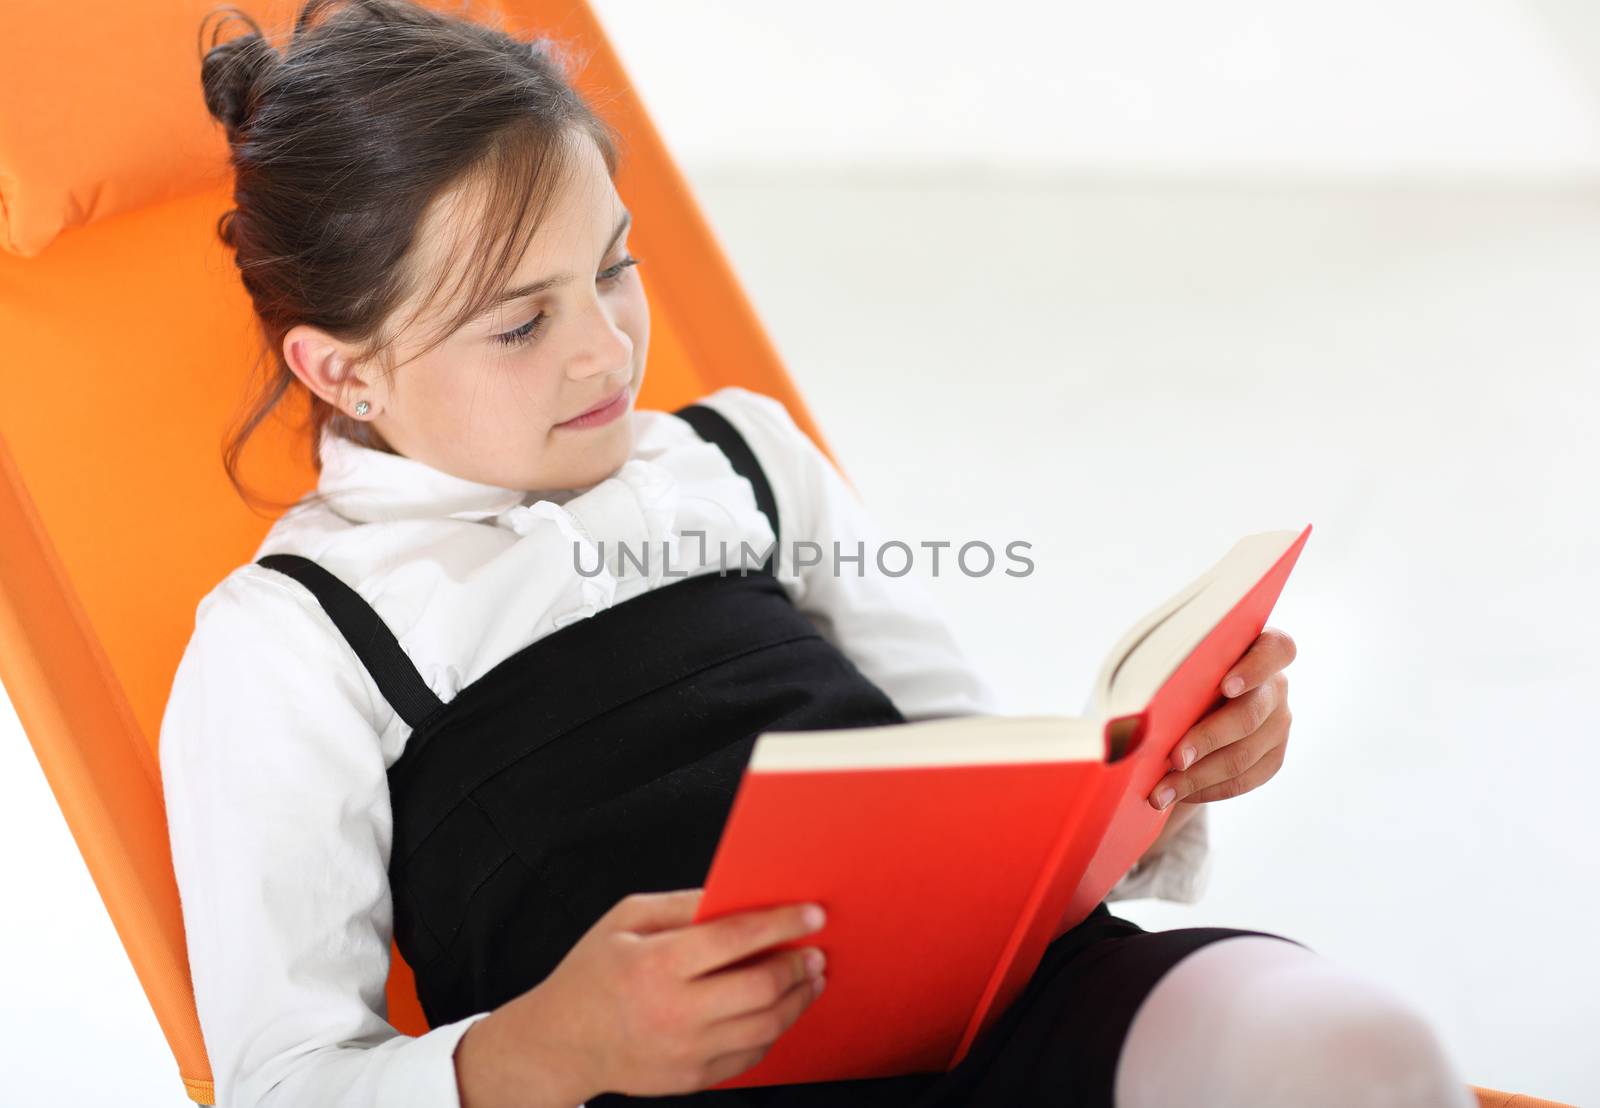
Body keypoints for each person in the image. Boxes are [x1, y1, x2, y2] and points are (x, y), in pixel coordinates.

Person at [160, 2, 1479, 1106]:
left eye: (612, 271)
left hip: (982, 1022)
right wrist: (546, 1045)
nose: (606, 350)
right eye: (519, 324)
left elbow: (969, 778)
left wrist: (1161, 783)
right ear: (341, 367)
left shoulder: (739, 455)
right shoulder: (290, 640)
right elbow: (285, 1080)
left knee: (1362, 1054)